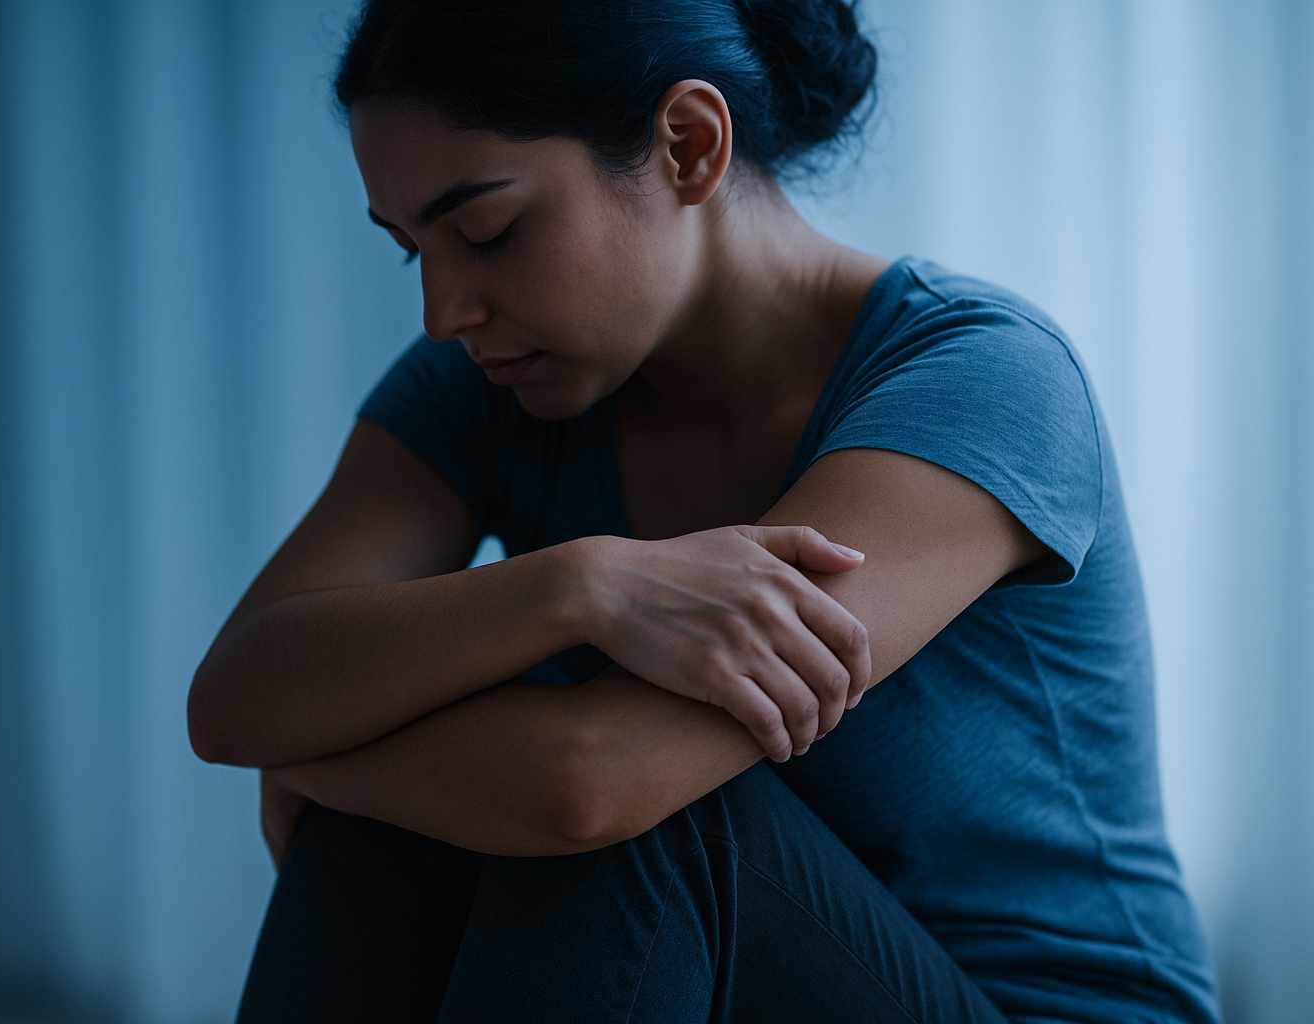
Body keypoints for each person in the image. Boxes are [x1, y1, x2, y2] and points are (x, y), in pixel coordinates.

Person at [187, 1, 1223, 1021]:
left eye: (485, 231)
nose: (444, 311)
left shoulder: (981, 379)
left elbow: (592, 785)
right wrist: (577, 584)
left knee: (639, 816)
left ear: (688, 143)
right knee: (406, 818)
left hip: (1035, 1007)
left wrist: (312, 753)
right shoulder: (486, 386)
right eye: (415, 249)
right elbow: (233, 694)